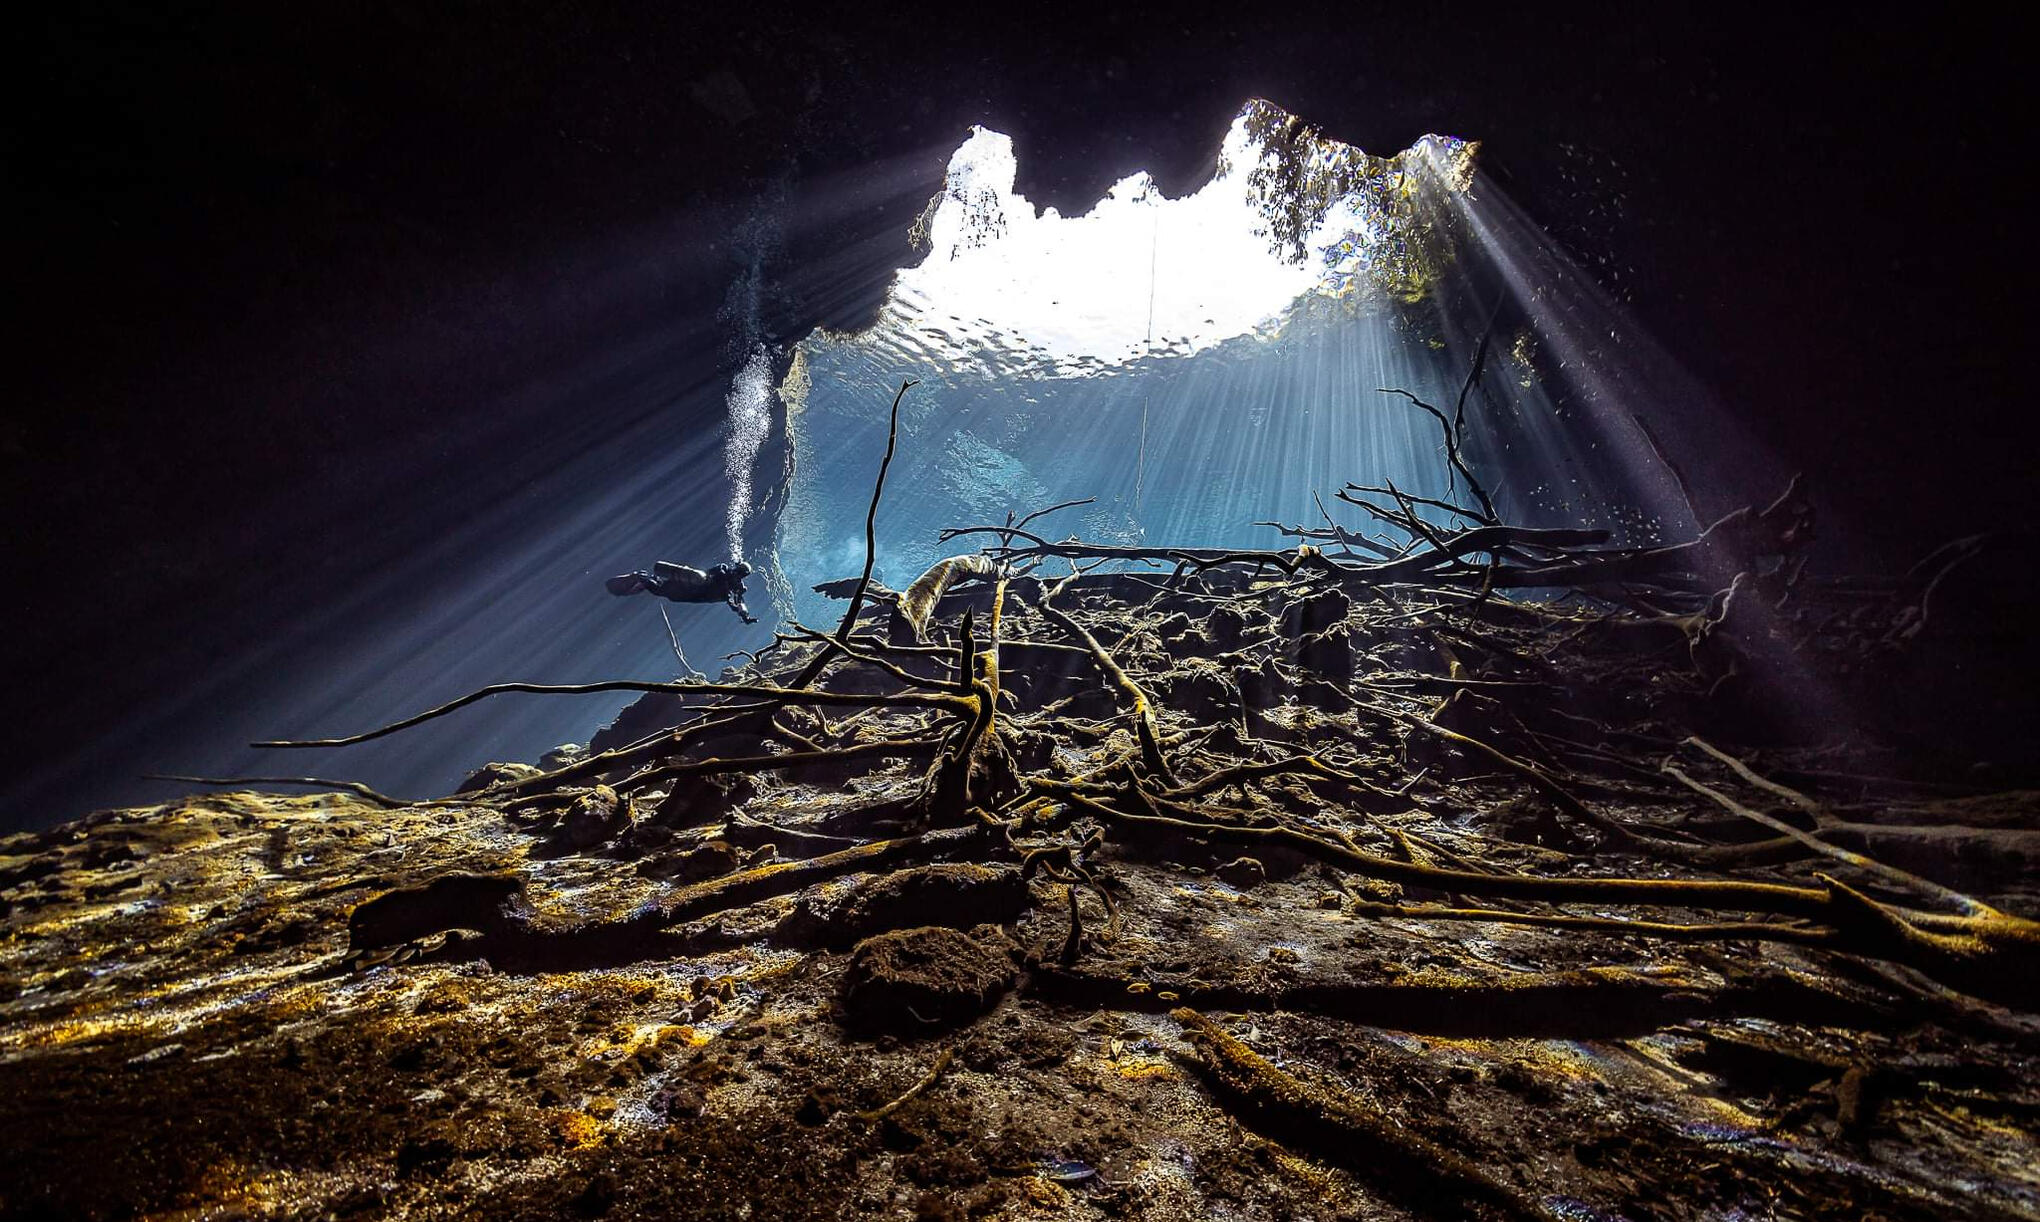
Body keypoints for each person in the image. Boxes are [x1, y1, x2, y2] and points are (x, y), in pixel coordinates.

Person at [606, 558, 758, 624]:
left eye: (740, 574)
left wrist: (745, 616)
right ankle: (640, 577)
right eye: (739, 573)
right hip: (688, 589)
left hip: (686, 592)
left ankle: (641, 579)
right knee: (661, 590)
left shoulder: (734, 586)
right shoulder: (725, 574)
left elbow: (738, 604)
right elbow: (737, 604)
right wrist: (745, 616)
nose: (737, 576)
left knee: (661, 590)